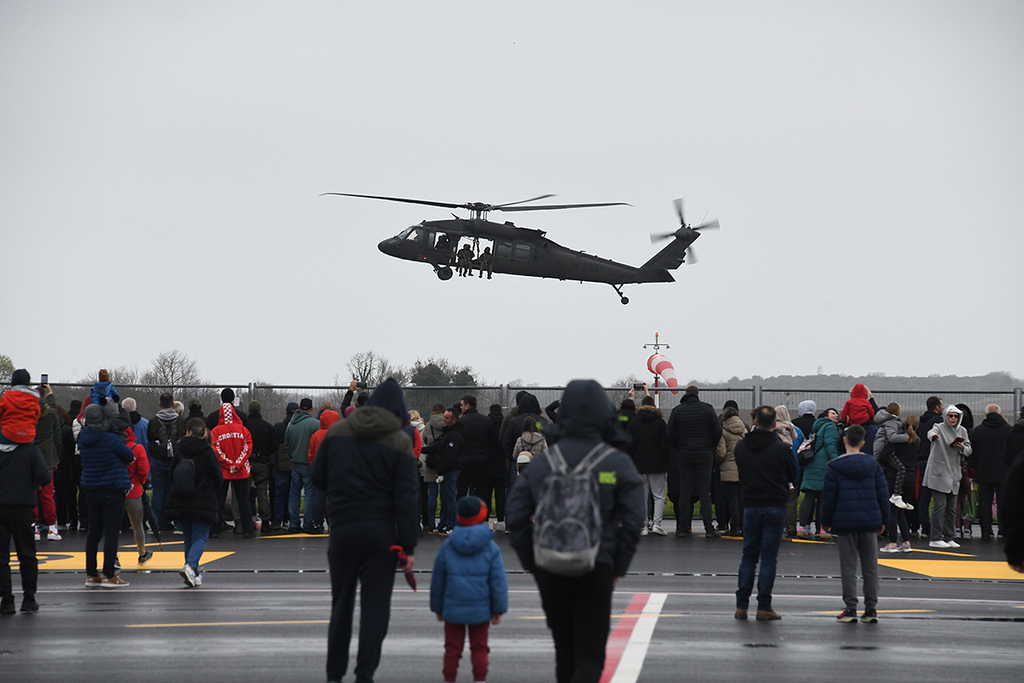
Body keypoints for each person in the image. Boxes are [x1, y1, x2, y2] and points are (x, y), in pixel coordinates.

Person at [507, 379, 644, 683]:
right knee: (590, 654)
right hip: (597, 564)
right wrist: (615, 563)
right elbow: (634, 518)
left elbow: (515, 515)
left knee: (564, 651)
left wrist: (533, 561)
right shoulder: (615, 462)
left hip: (549, 565)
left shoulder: (544, 463)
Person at [310, 378, 419, 683]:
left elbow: (318, 477)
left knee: (341, 604)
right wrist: (408, 547)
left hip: (343, 528)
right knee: (375, 607)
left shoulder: (337, 432)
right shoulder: (399, 441)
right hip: (381, 533)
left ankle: (334, 675)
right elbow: (407, 500)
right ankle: (365, 674)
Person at [430, 495, 508, 683]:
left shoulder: (448, 546)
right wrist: (498, 609)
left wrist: (437, 607)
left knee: (452, 648)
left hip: (453, 607)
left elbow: (438, 580)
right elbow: (498, 582)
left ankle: (450, 679)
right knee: (480, 647)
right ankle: (479, 679)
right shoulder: (490, 547)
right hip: (480, 608)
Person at [733, 406, 797, 621]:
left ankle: (741, 605)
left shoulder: (742, 446)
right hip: (774, 504)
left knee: (748, 556)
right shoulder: (780, 449)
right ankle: (764, 606)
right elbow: (793, 473)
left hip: (750, 503)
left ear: (756, 421)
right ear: (774, 424)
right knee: (768, 557)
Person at [820, 424, 890, 624]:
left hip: (845, 522)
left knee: (848, 567)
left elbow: (829, 499)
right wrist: (883, 520)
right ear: (862, 443)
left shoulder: (834, 468)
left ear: (844, 440)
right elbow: (882, 495)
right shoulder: (873, 466)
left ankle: (850, 608)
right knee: (870, 567)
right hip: (869, 521)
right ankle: (871, 609)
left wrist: (826, 521)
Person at [79, 404, 135, 588]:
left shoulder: (83, 438)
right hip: (112, 488)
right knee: (111, 533)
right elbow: (129, 456)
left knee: (93, 533)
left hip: (91, 489)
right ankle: (109, 575)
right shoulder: (110, 439)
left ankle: (91, 574)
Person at [163, 418, 223, 588]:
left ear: (188, 431)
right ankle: (190, 566)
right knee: (201, 537)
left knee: (188, 538)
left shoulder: (180, 450)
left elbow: (172, 474)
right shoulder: (207, 451)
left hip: (181, 498)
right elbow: (218, 477)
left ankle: (194, 574)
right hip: (202, 500)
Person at [0, 440, 51, 614]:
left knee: (1, 557)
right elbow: (44, 477)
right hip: (22, 506)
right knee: (27, 555)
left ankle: (6, 599)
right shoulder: (30, 451)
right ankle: (29, 598)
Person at [665, 385, 723, 538]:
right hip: (704, 453)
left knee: (685, 490)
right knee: (704, 491)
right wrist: (711, 445)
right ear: (698, 395)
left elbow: (669, 434)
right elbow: (718, 430)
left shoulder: (677, 411)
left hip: (684, 453)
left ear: (686, 395)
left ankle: (683, 528)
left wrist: (680, 445)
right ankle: (709, 528)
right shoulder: (707, 409)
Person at [924, 405, 972, 548]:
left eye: (956, 416)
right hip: (939, 473)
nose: (953, 418)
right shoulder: (938, 427)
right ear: (946, 416)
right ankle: (935, 537)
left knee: (952, 508)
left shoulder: (962, 431)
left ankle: (949, 536)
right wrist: (933, 437)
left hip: (954, 474)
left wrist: (962, 448)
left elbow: (969, 450)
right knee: (940, 506)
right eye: (950, 416)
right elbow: (930, 433)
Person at [211, 402, 255, 538]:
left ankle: (215, 529)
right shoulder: (243, 430)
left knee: (219, 499)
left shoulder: (216, 431)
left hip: (223, 470)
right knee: (243, 500)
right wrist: (237, 463)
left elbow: (215, 450)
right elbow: (247, 448)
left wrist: (228, 463)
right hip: (241, 471)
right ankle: (248, 529)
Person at [628, 395, 669, 536]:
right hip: (657, 464)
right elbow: (665, 445)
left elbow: (629, 445)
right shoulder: (660, 423)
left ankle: (643, 525)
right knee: (659, 496)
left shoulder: (634, 423)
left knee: (642, 495)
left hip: (638, 464)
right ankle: (656, 524)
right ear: (654, 406)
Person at [147, 392, 187, 530]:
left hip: (158, 461)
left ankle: (158, 522)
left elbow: (150, 441)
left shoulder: (152, 422)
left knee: (158, 492)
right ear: (172, 404)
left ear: (160, 404)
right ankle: (177, 523)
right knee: (174, 492)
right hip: (176, 462)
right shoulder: (182, 421)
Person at [970, 405, 1011, 540]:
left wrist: (973, 470)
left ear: (985, 414)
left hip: (983, 473)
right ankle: (1002, 530)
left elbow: (972, 454)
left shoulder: (978, 431)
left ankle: (986, 531)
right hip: (1004, 473)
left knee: (984, 503)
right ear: (1000, 413)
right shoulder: (1008, 431)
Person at [880, 415, 919, 554]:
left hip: (895, 478)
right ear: (917, 427)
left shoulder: (898, 440)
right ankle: (906, 541)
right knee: (901, 512)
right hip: (910, 479)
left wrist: (886, 465)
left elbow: (884, 455)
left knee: (892, 511)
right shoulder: (916, 441)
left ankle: (892, 542)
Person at [799, 408, 840, 539]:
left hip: (811, 463)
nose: (837, 415)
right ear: (826, 416)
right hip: (823, 464)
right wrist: (837, 462)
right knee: (823, 498)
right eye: (833, 413)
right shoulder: (830, 426)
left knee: (809, 496)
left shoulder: (816, 427)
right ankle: (822, 530)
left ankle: (802, 527)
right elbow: (830, 445)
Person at [286, 398, 321, 533]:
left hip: (295, 463)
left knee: (294, 493)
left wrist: (293, 456)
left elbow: (287, 445)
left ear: (300, 408)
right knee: (309, 493)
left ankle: (294, 523)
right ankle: (307, 523)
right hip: (308, 464)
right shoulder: (314, 424)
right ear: (311, 409)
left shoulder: (291, 424)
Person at [715, 405, 746, 537]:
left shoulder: (723, 432)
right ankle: (744, 526)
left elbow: (721, 453)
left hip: (728, 469)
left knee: (732, 499)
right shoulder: (744, 430)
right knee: (742, 499)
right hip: (743, 469)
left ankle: (735, 527)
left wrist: (717, 461)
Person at [873, 403, 912, 510]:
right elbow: (892, 438)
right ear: (898, 412)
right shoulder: (891, 422)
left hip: (884, 451)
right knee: (901, 468)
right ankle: (897, 495)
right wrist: (908, 437)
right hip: (884, 452)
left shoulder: (889, 421)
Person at [124, 427, 153, 565]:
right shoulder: (138, 448)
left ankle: (114, 557)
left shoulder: (113, 446)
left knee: (112, 528)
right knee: (137, 526)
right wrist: (140, 482)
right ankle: (142, 553)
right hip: (134, 489)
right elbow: (143, 468)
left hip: (115, 490)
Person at [0, 368, 40, 449]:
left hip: (8, 436)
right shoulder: (34, 400)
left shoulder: (7, 397)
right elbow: (36, 417)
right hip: (28, 438)